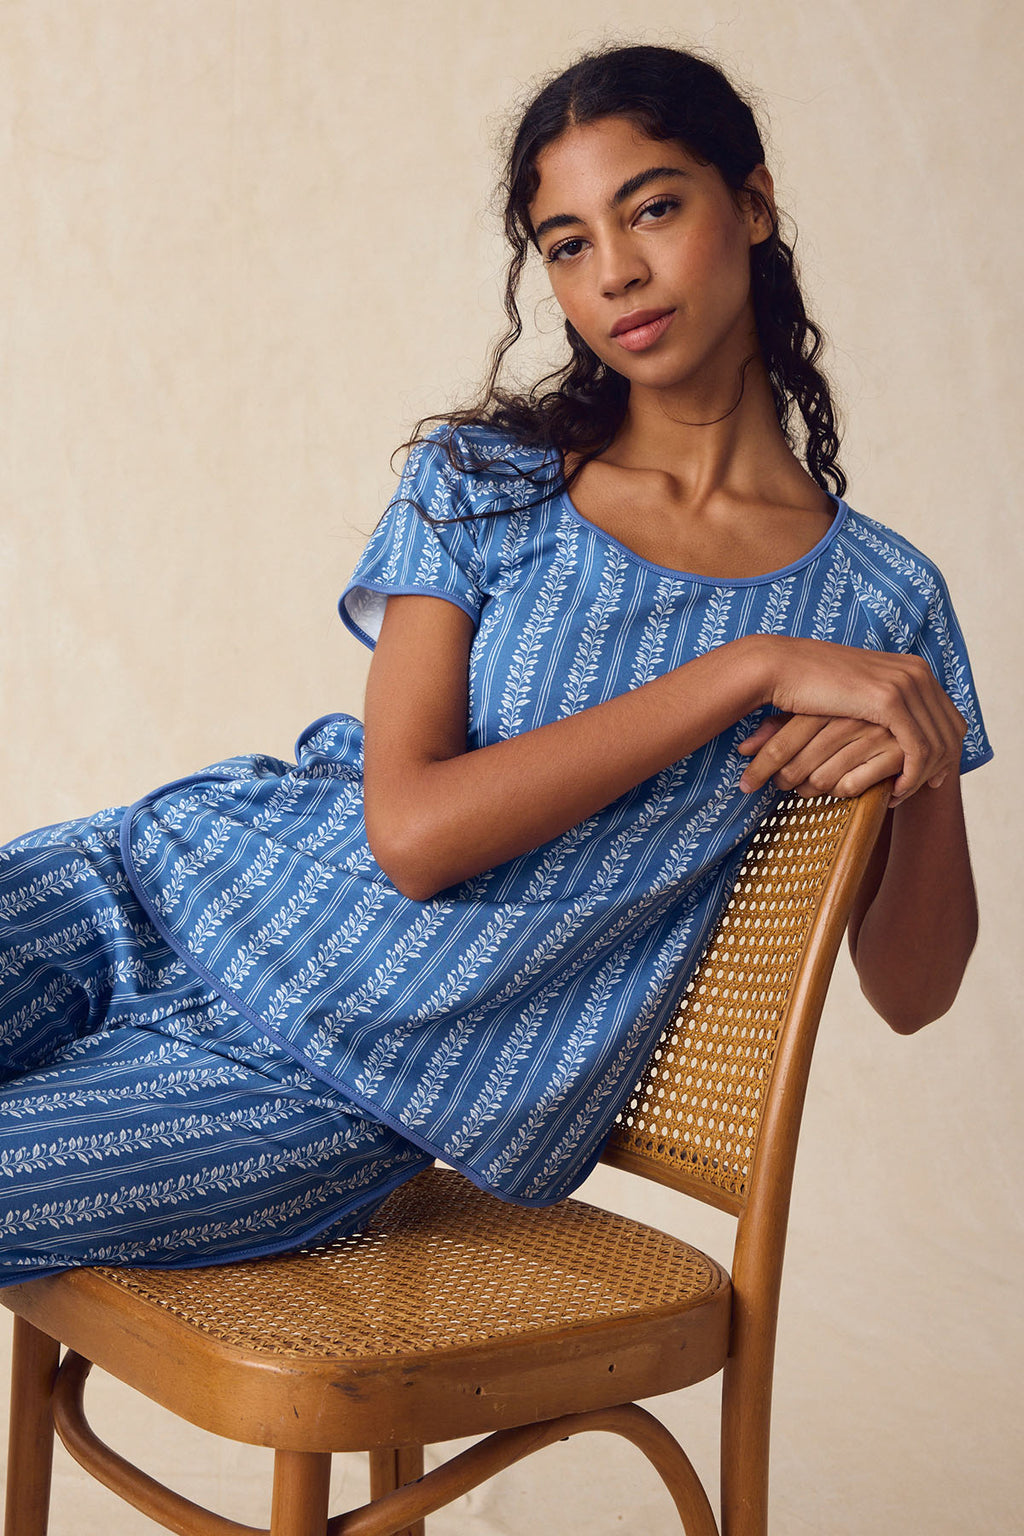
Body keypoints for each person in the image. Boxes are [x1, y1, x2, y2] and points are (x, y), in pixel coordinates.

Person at [0, 44, 991, 1285]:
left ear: (750, 203)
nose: (616, 268)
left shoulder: (877, 602)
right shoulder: (485, 481)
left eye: (654, 208)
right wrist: (750, 668)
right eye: (566, 242)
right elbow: (413, 831)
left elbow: (911, 993)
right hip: (144, 892)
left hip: (337, 1084)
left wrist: (926, 756)